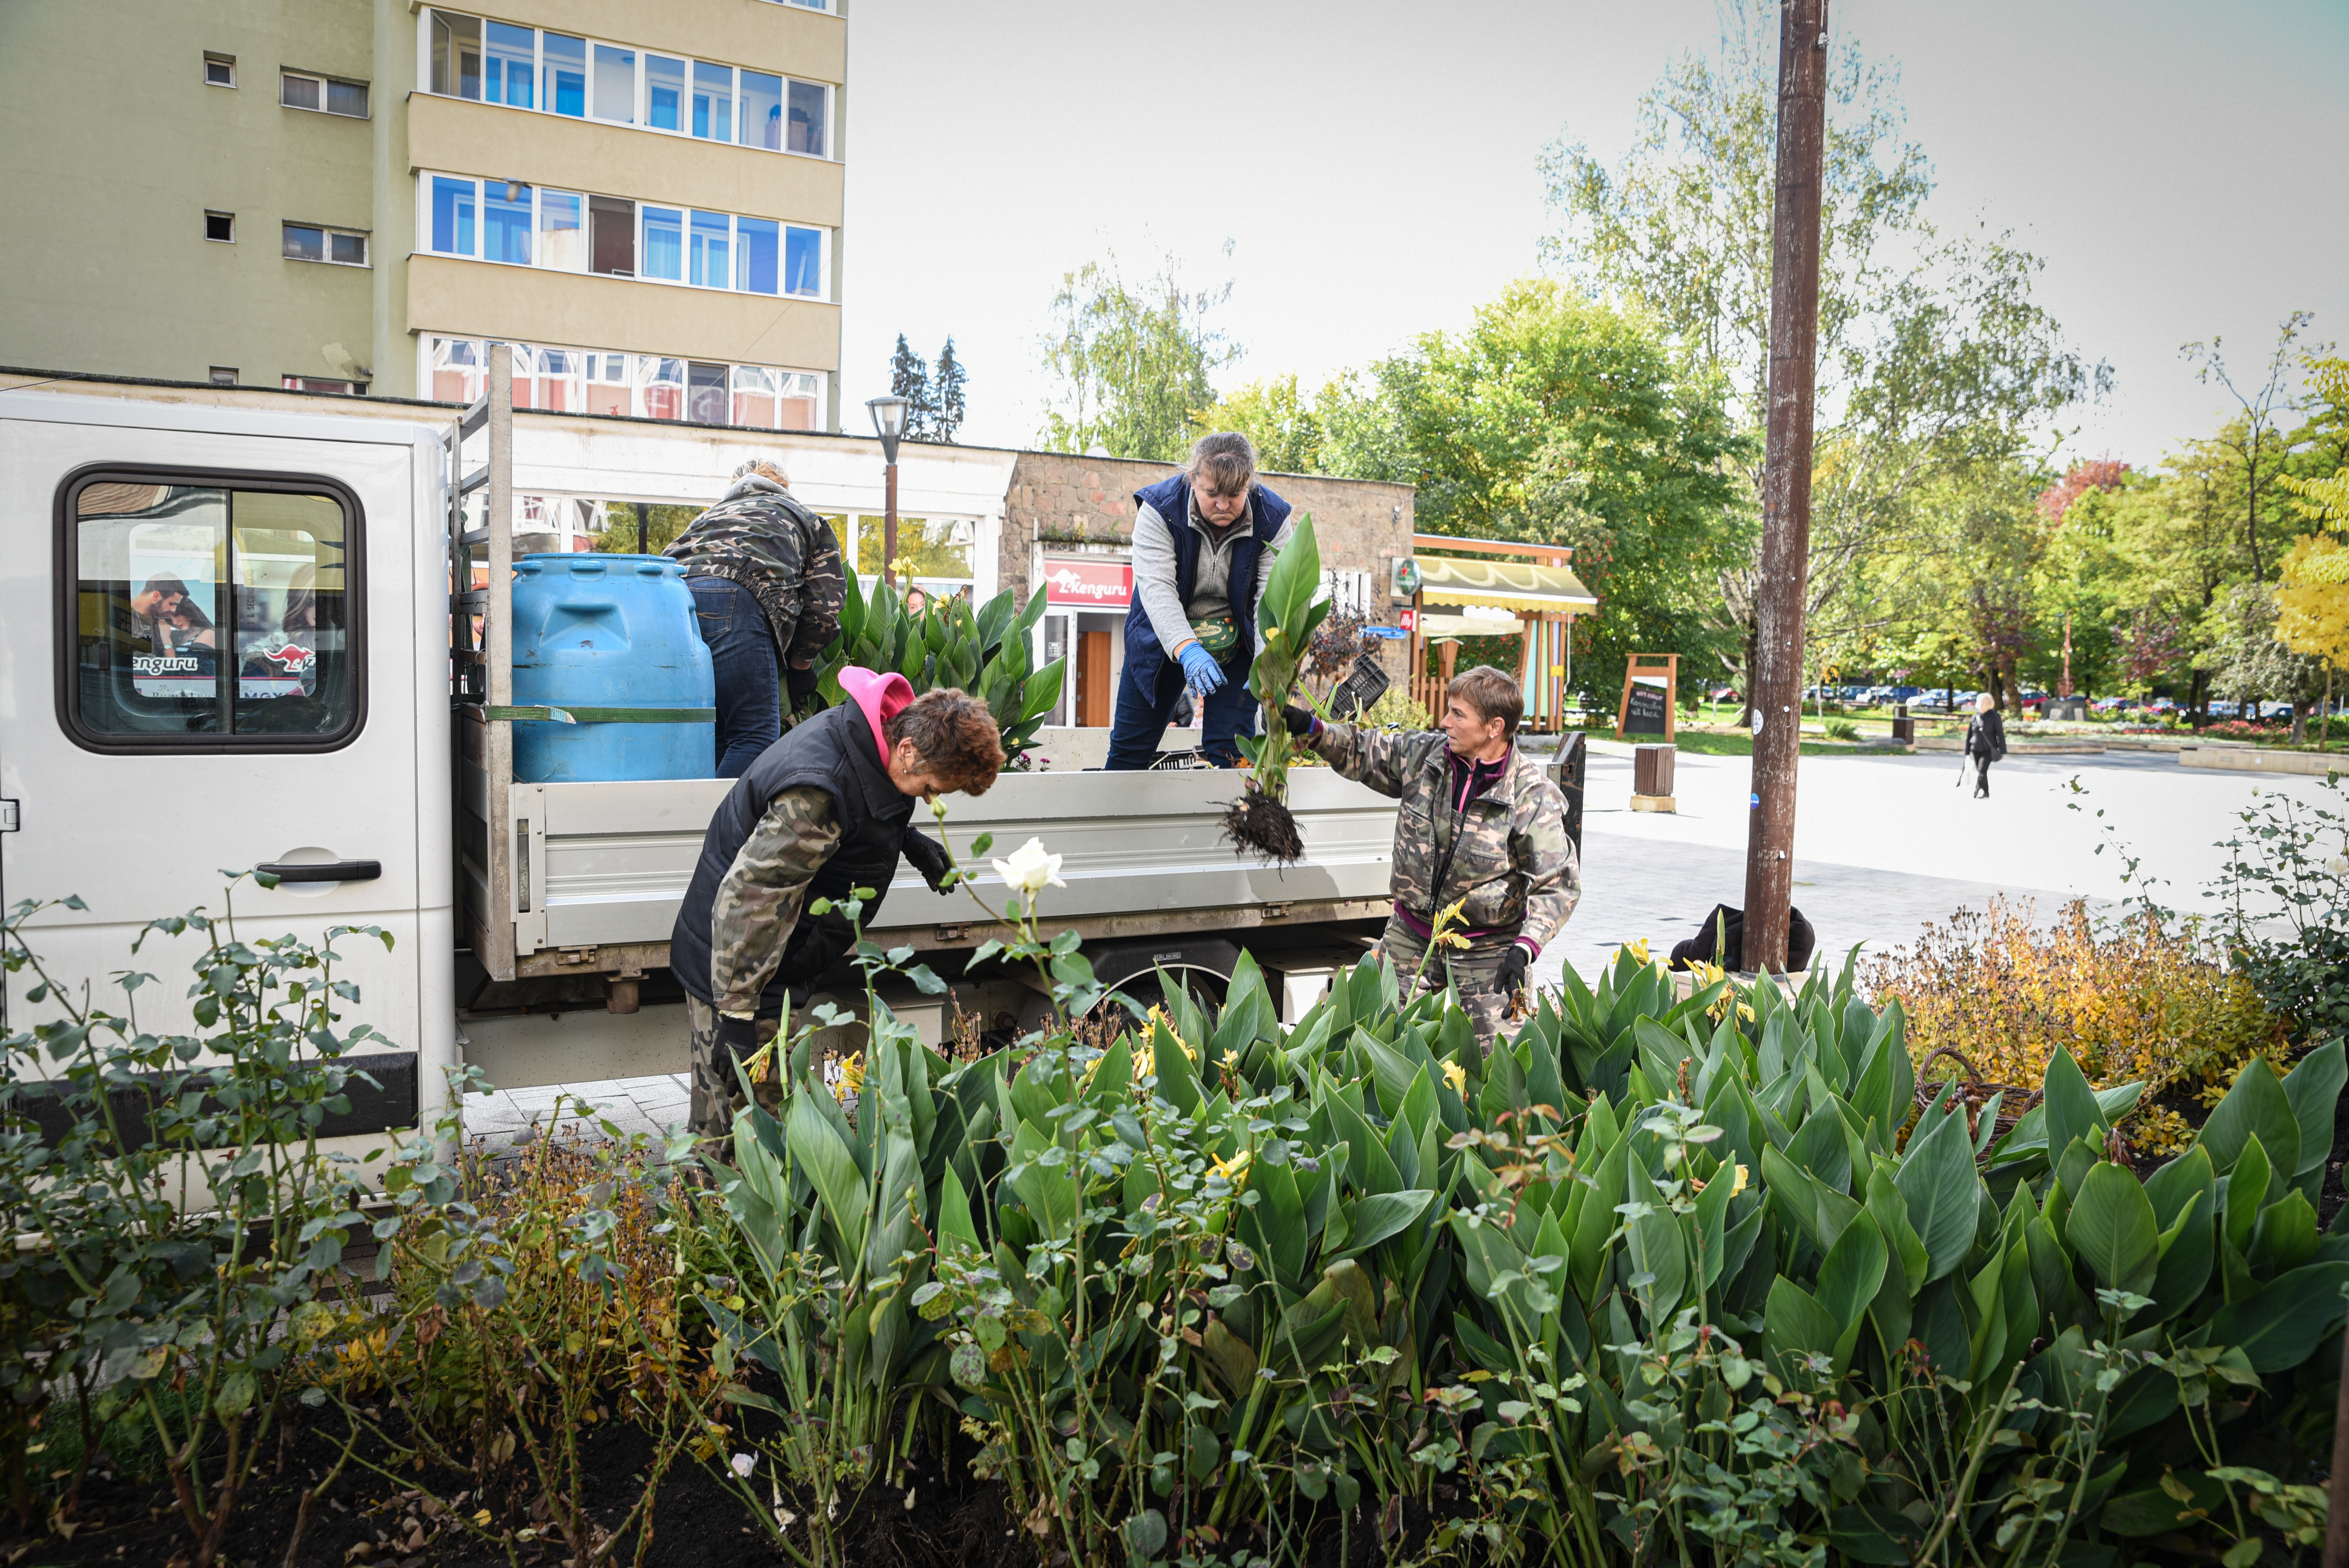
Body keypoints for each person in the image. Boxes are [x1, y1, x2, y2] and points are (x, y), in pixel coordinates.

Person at [671, 668, 1005, 1142]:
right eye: (932, 788)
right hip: (736, 964)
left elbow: (860, 800)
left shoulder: (879, 734)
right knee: (740, 1128)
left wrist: (904, 838)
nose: (933, 801)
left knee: (757, 1116)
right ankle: (709, 1209)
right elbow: (750, 900)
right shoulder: (817, 796)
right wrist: (738, 1015)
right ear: (909, 751)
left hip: (771, 959)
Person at [1279, 665, 1577, 1043]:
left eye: (1458, 714)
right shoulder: (1424, 756)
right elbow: (1362, 749)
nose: (1445, 721)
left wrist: (1525, 948)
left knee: (1502, 1062)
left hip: (1489, 949)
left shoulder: (1531, 795)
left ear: (1494, 727)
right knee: (1372, 1042)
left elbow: (1560, 885)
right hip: (1411, 935)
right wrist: (1314, 730)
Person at [1106, 433, 1295, 770]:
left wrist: (1267, 664)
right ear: (1192, 479)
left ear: (1249, 484)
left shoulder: (1273, 519)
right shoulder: (1159, 510)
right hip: (1161, 639)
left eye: (1234, 495)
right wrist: (1187, 648)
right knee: (1128, 752)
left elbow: (1272, 599)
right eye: (1212, 494)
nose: (1223, 506)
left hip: (1238, 645)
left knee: (1231, 754)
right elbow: (1157, 590)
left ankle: (1228, 823)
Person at [665, 458, 848, 778]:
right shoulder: (805, 519)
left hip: (672, 606)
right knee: (755, 737)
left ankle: (700, 823)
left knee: (718, 738)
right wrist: (802, 665)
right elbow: (824, 605)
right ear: (784, 487)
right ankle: (719, 827)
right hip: (736, 602)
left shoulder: (706, 518)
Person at [1964, 691, 2007, 798]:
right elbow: (1969, 735)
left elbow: (2000, 734)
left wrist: (2003, 749)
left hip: (1988, 749)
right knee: (1980, 771)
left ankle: (1977, 789)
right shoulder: (1975, 718)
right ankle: (1986, 793)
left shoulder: (1994, 716)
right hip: (1976, 748)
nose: (1981, 704)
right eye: (1980, 702)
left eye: (1984, 702)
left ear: (1989, 704)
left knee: (1982, 770)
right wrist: (1967, 752)